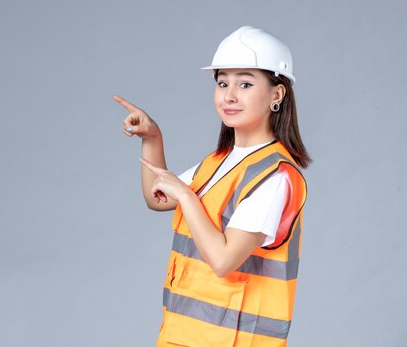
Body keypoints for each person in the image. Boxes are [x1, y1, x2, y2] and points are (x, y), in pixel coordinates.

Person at [113, 26, 310, 347]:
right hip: (183, 336)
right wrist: (152, 139)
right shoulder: (219, 162)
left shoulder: (274, 176)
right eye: (222, 83)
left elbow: (223, 260)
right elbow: (158, 197)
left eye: (245, 83)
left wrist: (185, 195)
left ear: (277, 94)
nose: (229, 95)